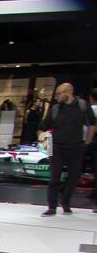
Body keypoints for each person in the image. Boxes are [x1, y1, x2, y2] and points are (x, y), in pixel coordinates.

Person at [39, 83, 91, 216]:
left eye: (59, 93)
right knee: (54, 178)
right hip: (56, 147)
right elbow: (42, 128)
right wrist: (46, 146)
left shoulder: (82, 106)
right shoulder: (55, 109)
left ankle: (65, 201)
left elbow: (93, 124)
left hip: (76, 146)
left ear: (68, 92)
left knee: (74, 177)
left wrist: (87, 141)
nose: (57, 96)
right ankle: (52, 207)